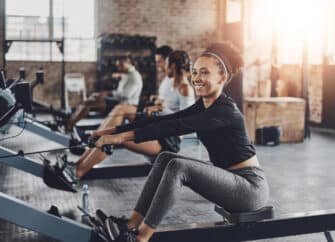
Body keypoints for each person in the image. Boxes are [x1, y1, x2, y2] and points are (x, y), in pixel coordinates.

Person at [93, 42, 270, 242]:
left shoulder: (225, 111)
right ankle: (130, 224)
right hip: (229, 179)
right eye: (194, 72)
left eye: (204, 73)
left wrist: (119, 138)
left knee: (178, 166)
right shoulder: (203, 105)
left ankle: (141, 238)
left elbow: (174, 128)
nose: (196, 78)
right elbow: (165, 120)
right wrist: (110, 131)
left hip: (249, 189)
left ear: (222, 77)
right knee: (165, 157)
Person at [62, 49, 195, 181]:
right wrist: (157, 102)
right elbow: (165, 105)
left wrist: (162, 108)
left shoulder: (185, 88)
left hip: (167, 140)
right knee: (121, 109)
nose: (162, 67)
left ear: (172, 65)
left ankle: (77, 172)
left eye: (165, 63)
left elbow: (187, 121)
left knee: (112, 138)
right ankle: (78, 164)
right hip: (155, 125)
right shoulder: (168, 82)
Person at [66, 55, 143, 130]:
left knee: (89, 103)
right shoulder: (127, 74)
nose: (118, 67)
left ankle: (69, 125)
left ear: (129, 63)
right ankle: (69, 122)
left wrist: (107, 93)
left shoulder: (134, 76)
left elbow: (126, 95)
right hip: (119, 101)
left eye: (121, 65)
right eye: (118, 65)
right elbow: (121, 92)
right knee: (91, 99)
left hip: (127, 105)